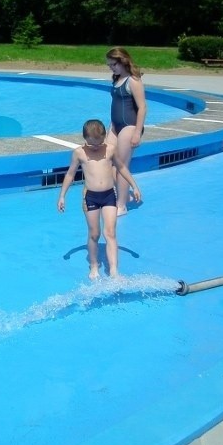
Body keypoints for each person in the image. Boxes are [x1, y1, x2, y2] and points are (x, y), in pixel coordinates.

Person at [57, 119, 142, 279]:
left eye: (99, 143)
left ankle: (114, 269)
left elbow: (122, 167)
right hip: (91, 198)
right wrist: (62, 196)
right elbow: (70, 174)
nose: (96, 147)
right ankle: (94, 265)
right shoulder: (79, 153)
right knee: (94, 234)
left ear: (104, 137)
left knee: (110, 232)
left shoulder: (110, 149)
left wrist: (134, 186)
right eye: (92, 144)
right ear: (85, 139)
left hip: (109, 195)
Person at [106, 46, 147, 217]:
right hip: (115, 127)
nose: (111, 68)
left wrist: (137, 132)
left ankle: (121, 205)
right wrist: (111, 127)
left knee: (121, 165)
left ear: (123, 62)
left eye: (113, 64)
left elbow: (143, 107)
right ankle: (126, 194)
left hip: (129, 127)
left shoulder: (133, 81)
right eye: (109, 65)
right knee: (107, 160)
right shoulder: (117, 80)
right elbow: (116, 106)